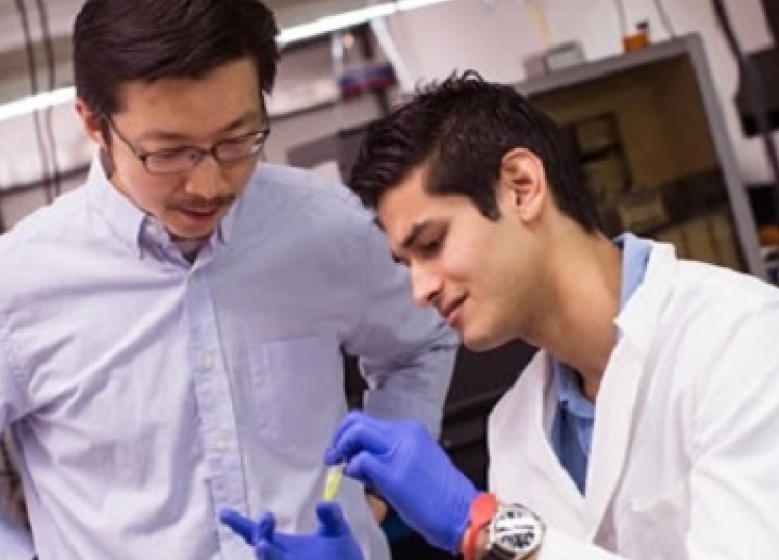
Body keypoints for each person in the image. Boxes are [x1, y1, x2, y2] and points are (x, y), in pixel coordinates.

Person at [0, 1, 459, 559]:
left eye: (237, 140)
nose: (209, 185)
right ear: (94, 122)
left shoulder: (325, 227)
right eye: (169, 153)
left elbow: (422, 342)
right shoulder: (5, 294)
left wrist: (380, 482)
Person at [220, 71, 779, 560]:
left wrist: (485, 526)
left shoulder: (741, 342)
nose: (420, 290)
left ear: (521, 186)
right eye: (407, 264)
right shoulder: (515, 429)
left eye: (432, 244)